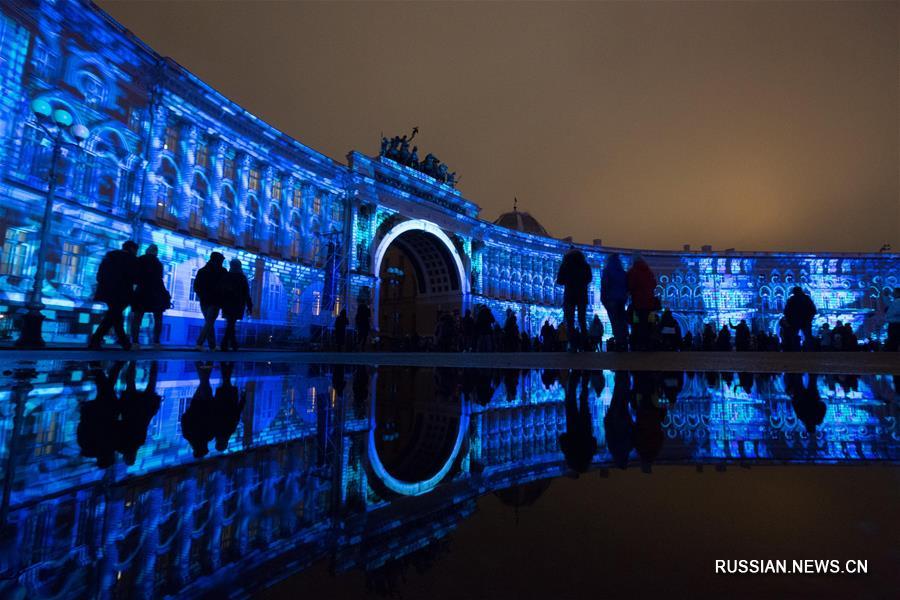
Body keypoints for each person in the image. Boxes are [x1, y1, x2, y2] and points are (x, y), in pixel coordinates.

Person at [88, 241, 138, 350]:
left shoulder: (109, 256)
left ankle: (124, 342)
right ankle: (95, 340)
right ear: (132, 249)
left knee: (115, 316)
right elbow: (134, 278)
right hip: (122, 293)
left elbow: (99, 275)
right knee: (112, 316)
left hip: (107, 292)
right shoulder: (131, 259)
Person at [130, 244, 170, 349]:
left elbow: (134, 277)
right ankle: (156, 341)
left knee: (137, 318)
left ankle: (135, 342)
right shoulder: (158, 264)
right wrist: (164, 295)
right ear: (156, 252)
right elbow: (159, 280)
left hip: (142, 291)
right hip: (156, 293)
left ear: (147, 251)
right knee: (158, 318)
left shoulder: (140, 260)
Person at [556, 249, 593, 351]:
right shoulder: (585, 266)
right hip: (582, 295)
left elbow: (559, 280)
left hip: (570, 296)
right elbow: (589, 279)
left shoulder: (566, 265)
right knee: (582, 320)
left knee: (570, 321)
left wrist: (569, 280)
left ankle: (573, 345)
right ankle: (586, 344)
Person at [193, 252, 227, 351]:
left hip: (204, 301)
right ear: (218, 260)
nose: (222, 262)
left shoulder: (202, 271)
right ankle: (199, 343)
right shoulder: (222, 272)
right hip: (216, 301)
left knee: (209, 322)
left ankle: (212, 345)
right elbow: (225, 287)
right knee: (209, 322)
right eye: (221, 261)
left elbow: (196, 286)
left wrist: (201, 296)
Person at [220, 258, 253, 351]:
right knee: (231, 323)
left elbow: (222, 290)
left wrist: (221, 303)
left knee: (230, 323)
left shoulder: (227, 276)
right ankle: (230, 344)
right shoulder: (242, 277)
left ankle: (228, 344)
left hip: (227, 304)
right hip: (238, 304)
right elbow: (246, 293)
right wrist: (249, 306)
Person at [626, 255, 657, 351]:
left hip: (638, 304)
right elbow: (654, 284)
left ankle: (639, 345)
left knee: (637, 324)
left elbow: (629, 285)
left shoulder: (632, 271)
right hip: (650, 304)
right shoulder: (649, 271)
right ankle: (648, 344)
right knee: (648, 324)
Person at [600, 253, 629, 351]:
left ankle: (619, 342)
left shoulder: (607, 271)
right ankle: (624, 343)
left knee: (615, 322)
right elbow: (627, 287)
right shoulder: (622, 272)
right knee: (622, 321)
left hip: (611, 300)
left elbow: (604, 286)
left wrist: (603, 300)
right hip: (621, 300)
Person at [783, 286, 817, 351]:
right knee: (806, 336)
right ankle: (808, 350)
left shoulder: (792, 299)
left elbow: (786, 311)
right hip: (804, 321)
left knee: (795, 336)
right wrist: (810, 318)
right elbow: (813, 310)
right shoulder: (806, 299)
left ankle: (796, 349)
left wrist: (788, 320)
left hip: (796, 321)